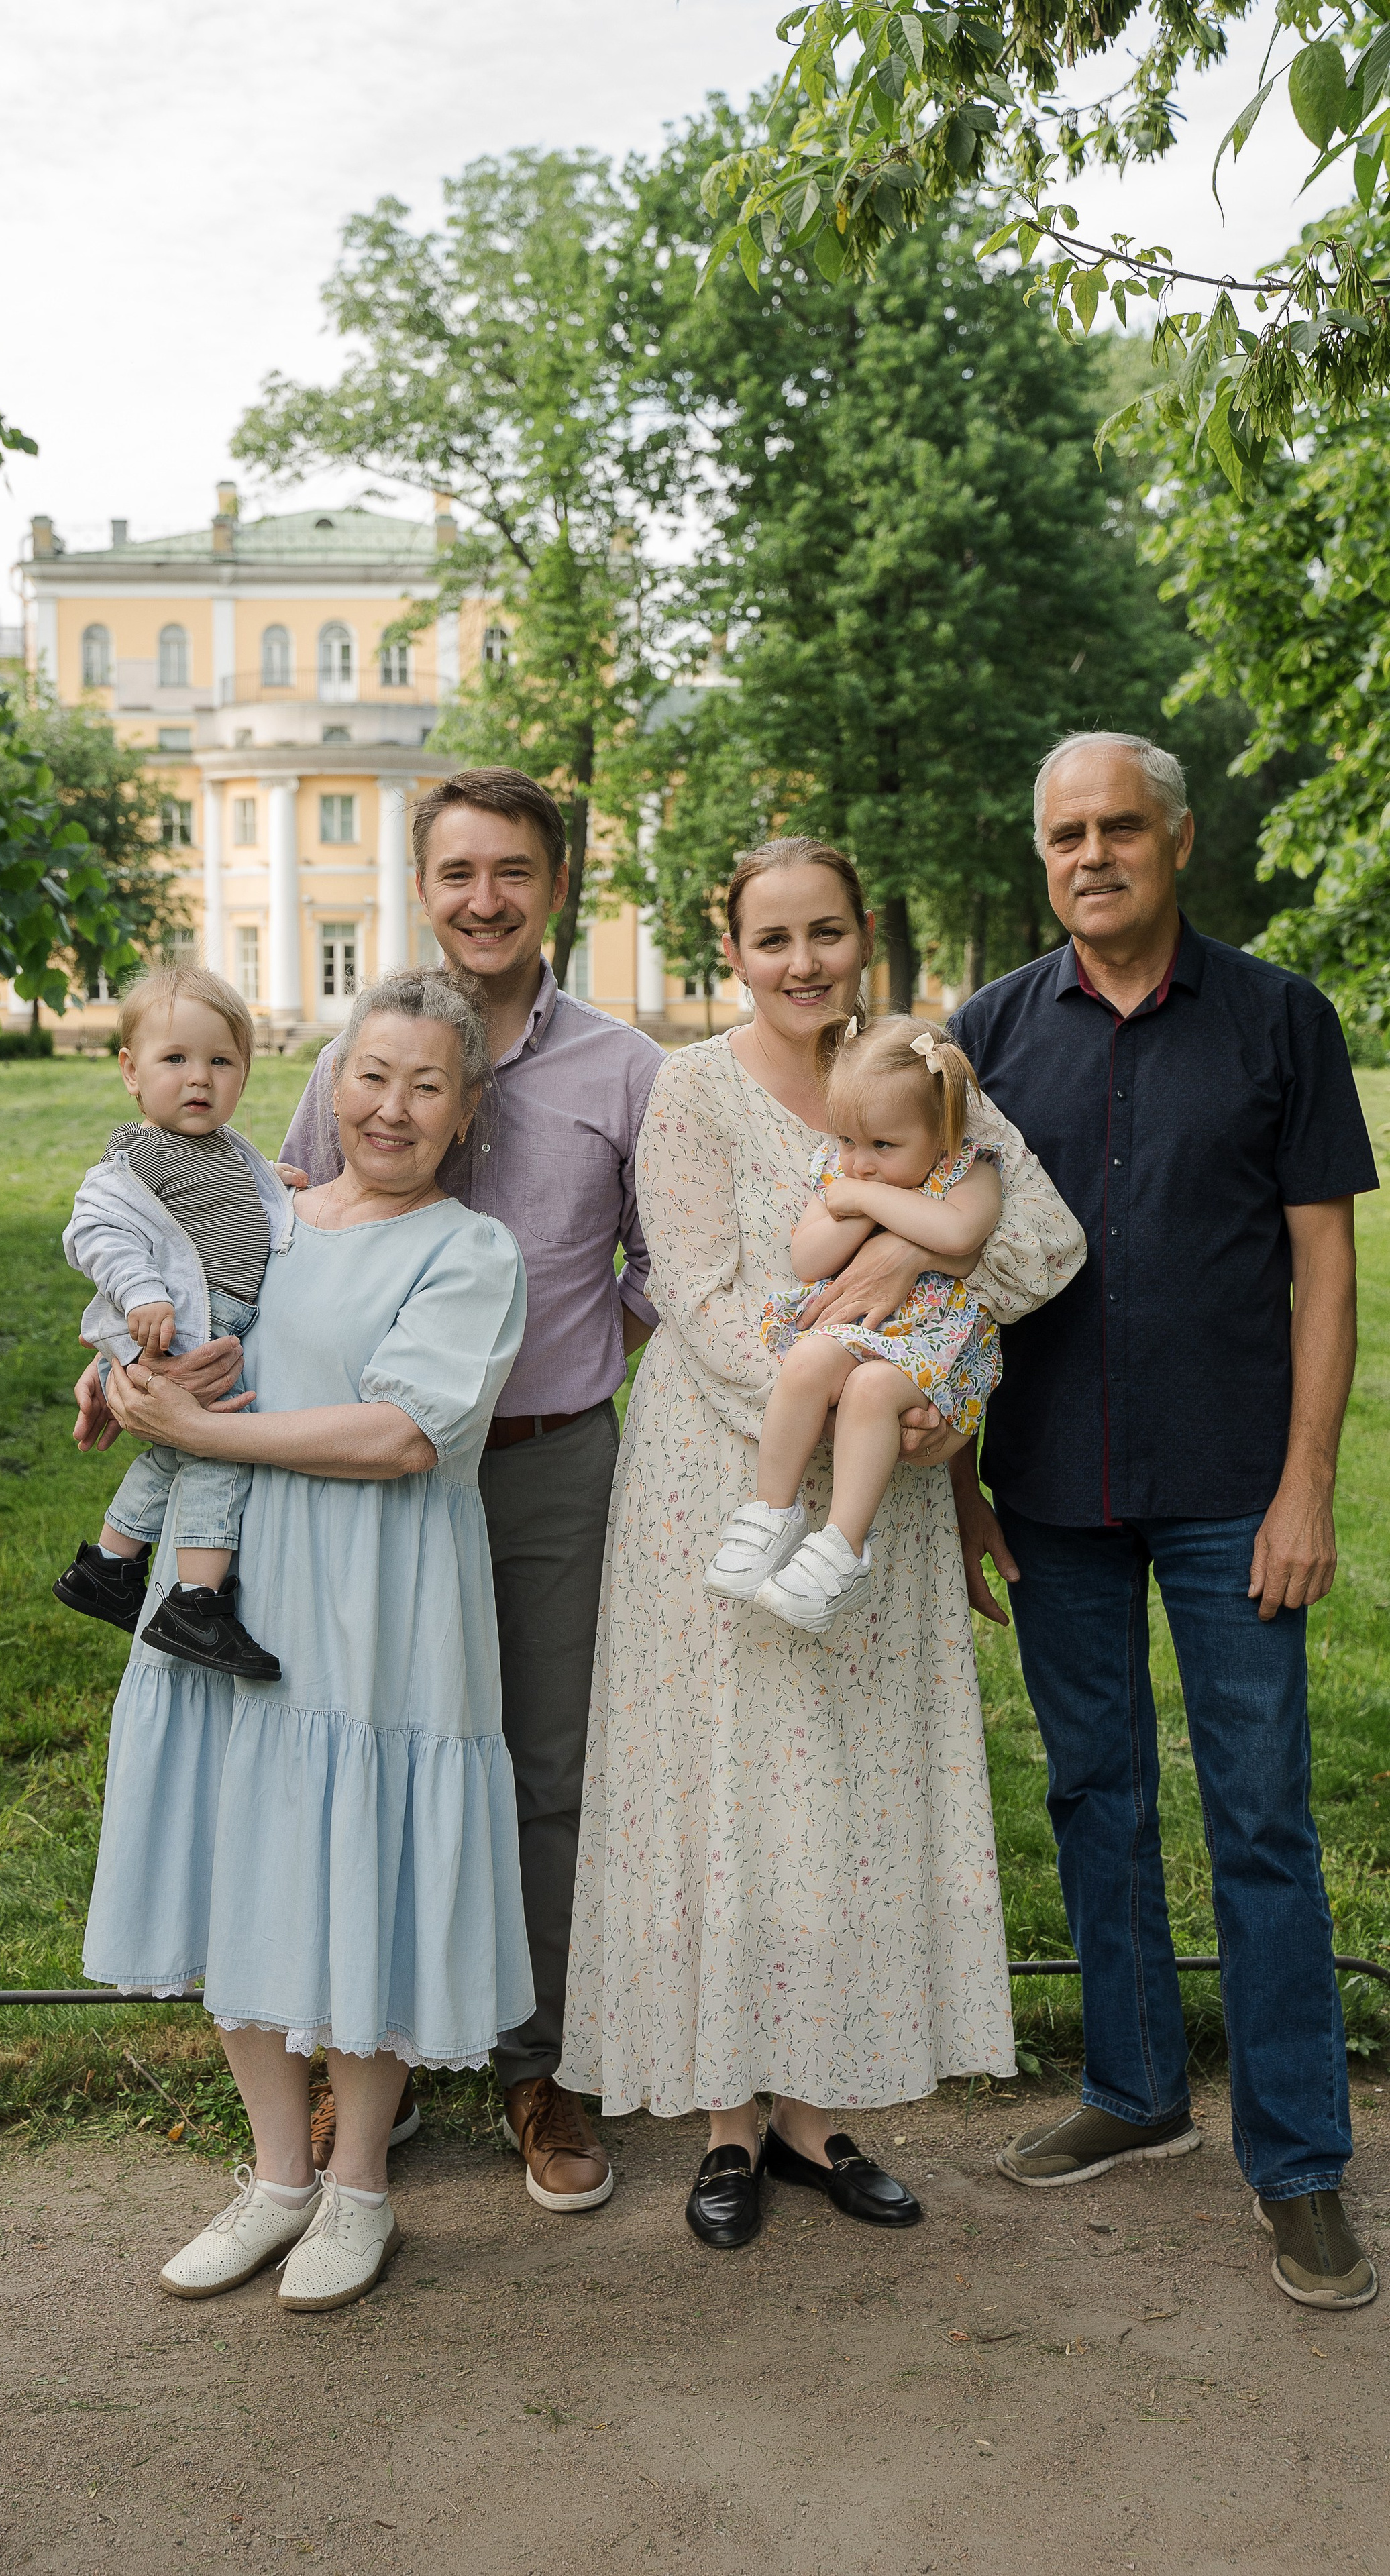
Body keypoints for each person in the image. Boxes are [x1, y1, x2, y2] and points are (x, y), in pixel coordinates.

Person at [559, 837, 1087, 2251]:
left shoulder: (923, 1071)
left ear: (862, 937)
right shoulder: (693, 1091)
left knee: (838, 1800)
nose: (801, 963)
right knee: (729, 1785)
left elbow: (1041, 1244)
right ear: (729, 951)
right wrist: (856, 1347)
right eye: (770, 939)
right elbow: (696, 1293)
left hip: (876, 1478)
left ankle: (812, 2113)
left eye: (826, 935)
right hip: (715, 1479)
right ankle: (725, 2123)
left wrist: (921, 1311)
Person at [947, 731, 1381, 2312]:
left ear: (1176, 839)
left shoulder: (1278, 1019)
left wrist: (1304, 1485)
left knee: (1258, 1820)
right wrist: (953, 1490)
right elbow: (930, 1278)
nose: (1091, 853)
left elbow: (1320, 1272)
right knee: (1094, 1790)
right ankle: (1131, 2087)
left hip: (1228, 1495)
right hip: (1048, 1485)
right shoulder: (983, 1033)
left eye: (1118, 825)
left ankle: (1297, 2163)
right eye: (1063, 831)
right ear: (1041, 855)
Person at [82, 969, 533, 2312]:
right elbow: (154, 1303)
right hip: (227, 1585)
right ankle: (276, 2178)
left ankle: (356, 2195)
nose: (390, 1108)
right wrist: (116, 1372)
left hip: (380, 1604)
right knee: (238, 1858)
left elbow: (403, 1434)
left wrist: (205, 1434)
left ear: (464, 1113)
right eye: (370, 1077)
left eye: (425, 1085)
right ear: (331, 1085)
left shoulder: (470, 1252)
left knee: (363, 1868)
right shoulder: (262, 1212)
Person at [278, 767, 663, 2214]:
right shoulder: (355, 1062)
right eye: (455, 873)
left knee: (539, 1775)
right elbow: (290, 1241)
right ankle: (353, 2054)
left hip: (544, 1467)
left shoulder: (625, 1070)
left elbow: (661, 1270)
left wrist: (569, 1355)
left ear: (553, 886)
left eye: (510, 871)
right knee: (356, 1754)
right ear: (421, 886)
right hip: (360, 1474)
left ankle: (533, 2064)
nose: (482, 899)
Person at [706, 1013, 1005, 1635]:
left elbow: (959, 1232)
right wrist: (853, 1200)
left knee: (870, 1391)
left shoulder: (966, 1170)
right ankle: (772, 1512)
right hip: (860, 1334)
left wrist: (866, 1202)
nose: (859, 1164)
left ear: (942, 1132)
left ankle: (842, 1548)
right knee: (808, 1360)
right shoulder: (839, 1174)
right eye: (847, 1142)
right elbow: (809, 1259)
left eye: (883, 1147)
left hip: (937, 1345)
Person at [54, 963, 284, 1677]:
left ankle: (109, 1567)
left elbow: (237, 1203)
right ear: (130, 1070)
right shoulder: (140, 1153)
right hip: (181, 1323)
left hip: (219, 1322)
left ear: (244, 1073)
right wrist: (142, 1292)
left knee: (172, 1454)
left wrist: (281, 1189)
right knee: (221, 1452)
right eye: (175, 1059)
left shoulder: (224, 1148)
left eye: (221, 1061)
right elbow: (98, 1229)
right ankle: (196, 1603)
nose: (199, 1079)